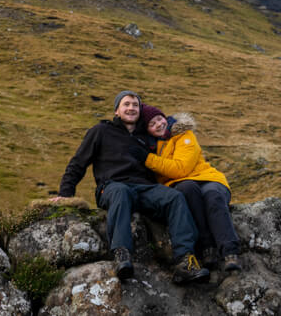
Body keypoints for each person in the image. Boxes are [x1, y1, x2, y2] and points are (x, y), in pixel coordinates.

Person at [50, 90, 210, 284]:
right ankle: (122, 254)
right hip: (111, 186)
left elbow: (166, 151)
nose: (131, 108)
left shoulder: (146, 137)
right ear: (117, 110)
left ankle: (185, 261)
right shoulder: (101, 131)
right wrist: (65, 194)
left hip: (145, 189)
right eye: (126, 104)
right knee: (120, 192)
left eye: (135, 105)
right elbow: (78, 164)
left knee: (174, 197)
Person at [132, 104, 241, 272]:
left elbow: (181, 168)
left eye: (159, 119)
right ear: (147, 130)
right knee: (187, 191)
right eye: (152, 124)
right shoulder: (152, 147)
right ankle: (207, 249)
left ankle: (230, 253)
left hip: (207, 178)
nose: (159, 124)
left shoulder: (183, 134)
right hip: (182, 185)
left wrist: (148, 159)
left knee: (212, 196)